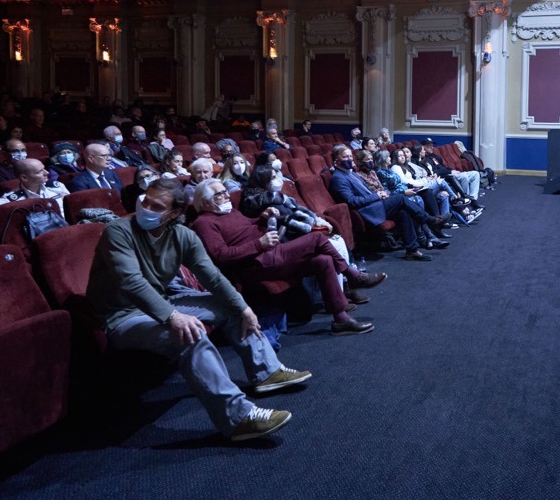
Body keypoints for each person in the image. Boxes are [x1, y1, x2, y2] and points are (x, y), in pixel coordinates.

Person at [86, 178, 309, 441]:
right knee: (190, 333)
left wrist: (245, 308)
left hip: (161, 302)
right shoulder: (118, 231)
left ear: (176, 213)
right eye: (146, 201)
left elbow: (212, 277)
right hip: (123, 315)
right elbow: (131, 282)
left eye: (157, 206)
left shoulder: (182, 235)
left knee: (231, 306)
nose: (145, 209)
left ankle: (266, 372)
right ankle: (237, 418)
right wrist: (172, 316)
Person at [190, 180, 381, 336]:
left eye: (225, 192)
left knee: (323, 261)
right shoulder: (203, 223)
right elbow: (221, 255)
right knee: (316, 238)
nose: (226, 196)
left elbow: (247, 227)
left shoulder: (230, 211)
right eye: (220, 194)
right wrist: (259, 244)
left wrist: (262, 218)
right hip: (255, 265)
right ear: (205, 202)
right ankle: (352, 275)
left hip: (271, 255)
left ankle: (341, 319)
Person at [329, 145, 432, 261]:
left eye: (350, 156)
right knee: (400, 198)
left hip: (375, 205)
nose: (349, 159)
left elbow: (366, 192)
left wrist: (381, 194)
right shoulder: (338, 178)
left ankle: (412, 250)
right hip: (367, 211)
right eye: (345, 157)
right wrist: (376, 195)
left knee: (402, 213)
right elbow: (352, 201)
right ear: (337, 160)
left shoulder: (350, 173)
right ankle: (428, 219)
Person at [0, 158, 70, 219]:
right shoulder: (11, 199)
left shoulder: (58, 186)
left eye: (44, 168)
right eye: (40, 171)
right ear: (24, 178)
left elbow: (71, 208)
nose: (47, 172)